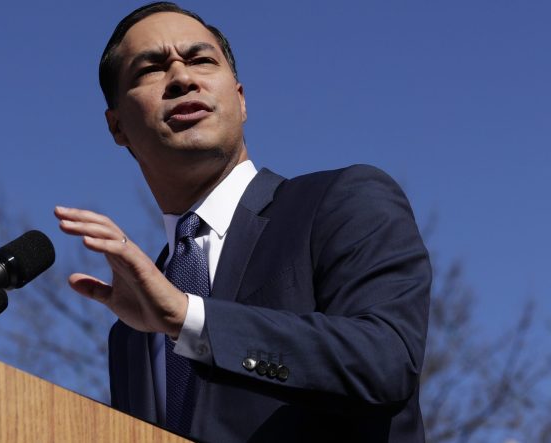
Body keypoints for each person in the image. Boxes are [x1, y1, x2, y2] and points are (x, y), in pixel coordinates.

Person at [55, 2, 431, 442]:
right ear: (116, 126)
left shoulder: (341, 200)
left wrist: (188, 319)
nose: (182, 78)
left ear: (241, 98)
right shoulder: (132, 327)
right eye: (151, 69)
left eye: (201, 60)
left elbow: (384, 360)